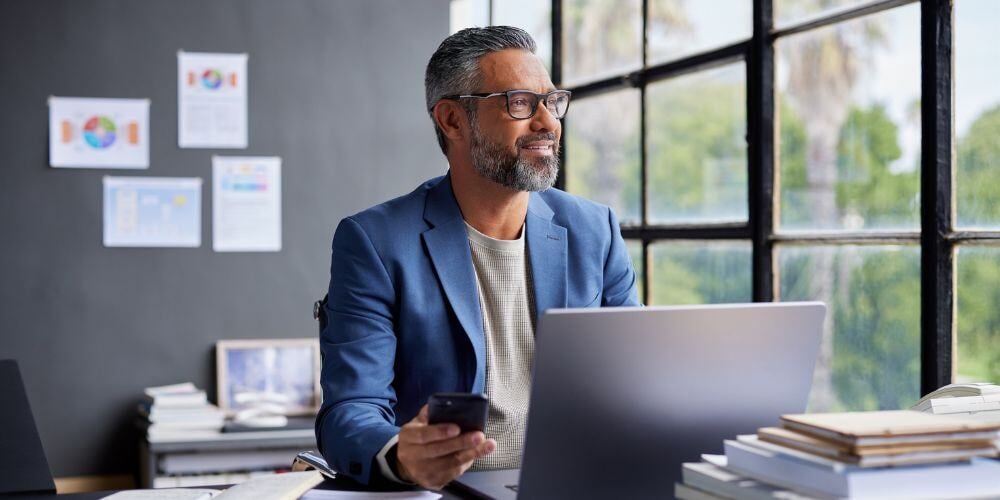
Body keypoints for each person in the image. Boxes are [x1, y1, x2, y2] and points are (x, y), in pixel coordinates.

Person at [315, 26, 639, 490]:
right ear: (452, 121)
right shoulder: (375, 241)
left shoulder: (594, 230)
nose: (548, 123)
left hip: (580, 485)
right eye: (521, 103)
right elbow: (349, 412)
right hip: (448, 494)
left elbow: (639, 375)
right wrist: (403, 458)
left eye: (552, 101)